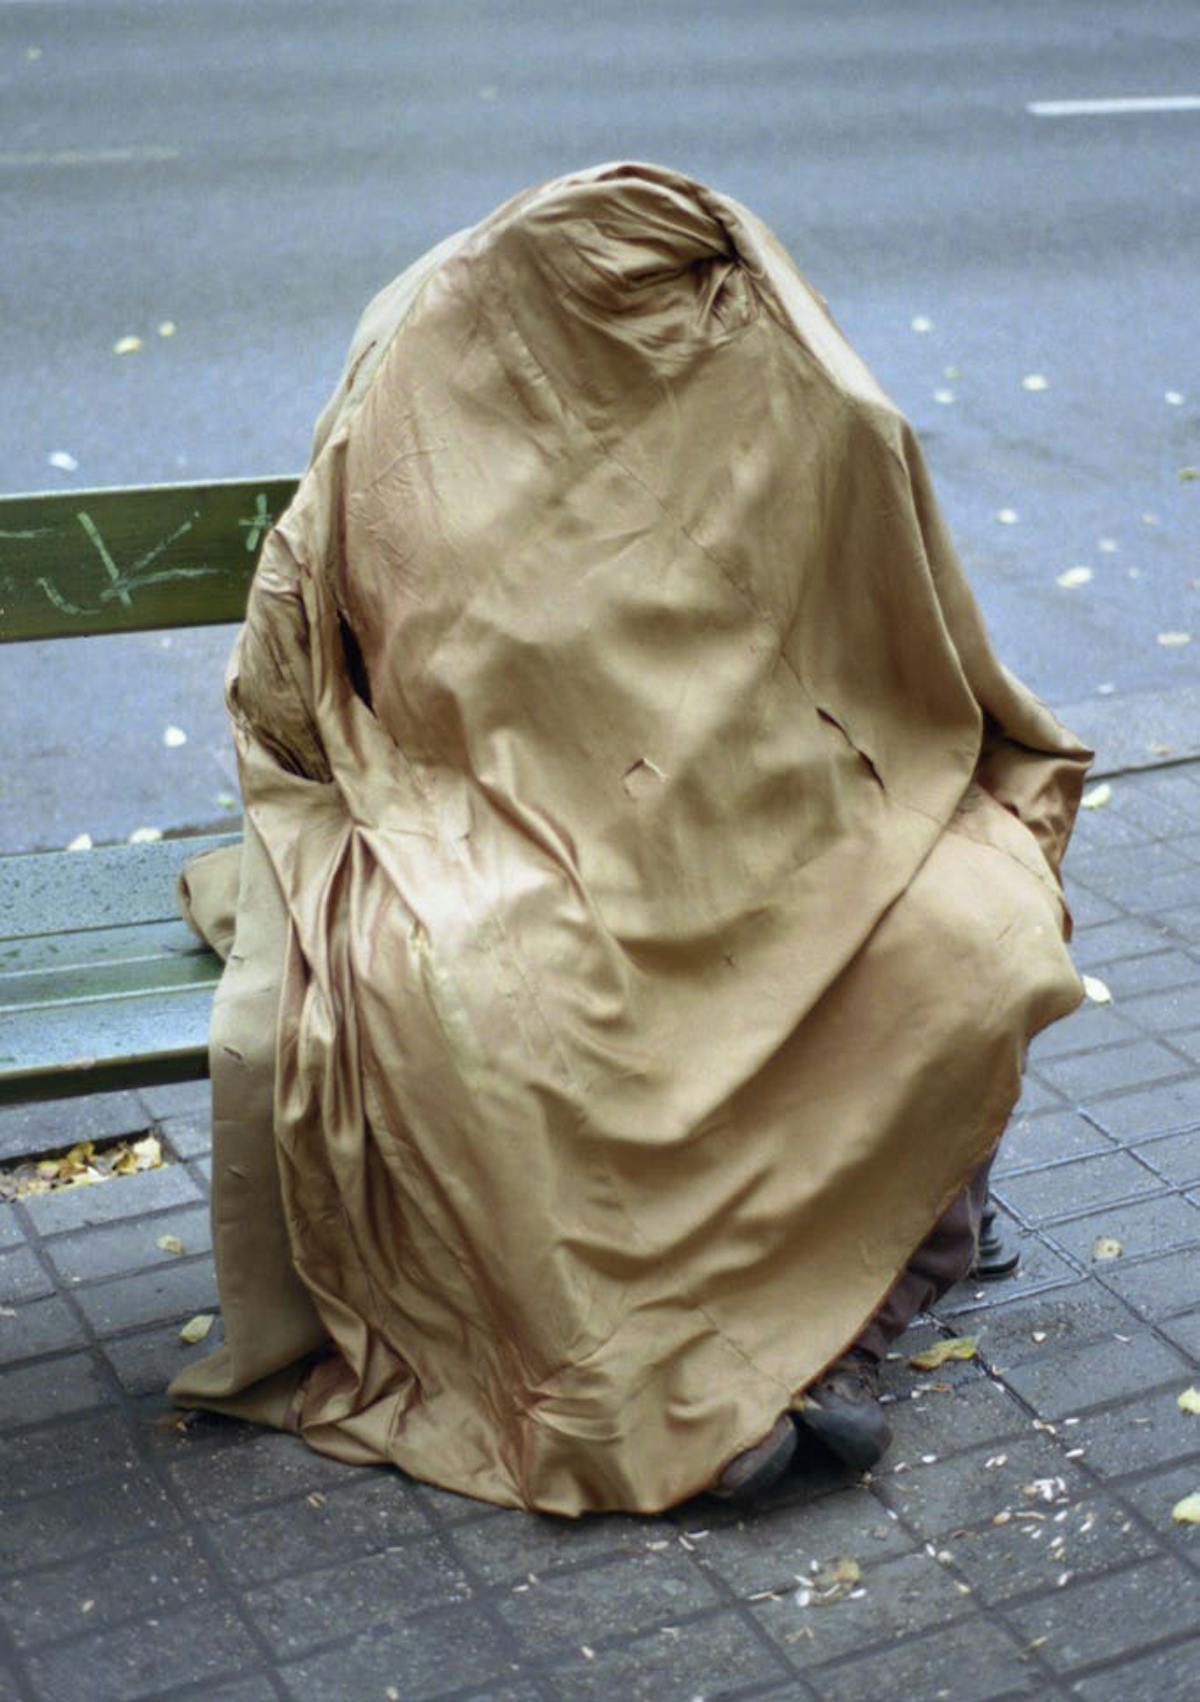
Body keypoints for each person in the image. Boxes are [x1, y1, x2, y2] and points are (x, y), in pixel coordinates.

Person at [169, 163, 1090, 1516]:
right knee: (497, 1001)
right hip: (501, 813)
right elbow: (294, 674)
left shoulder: (778, 374)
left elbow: (895, 639)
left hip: (776, 809)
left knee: (969, 934)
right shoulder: (430, 378)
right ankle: (709, 1386)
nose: (674, 339)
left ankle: (847, 1325)